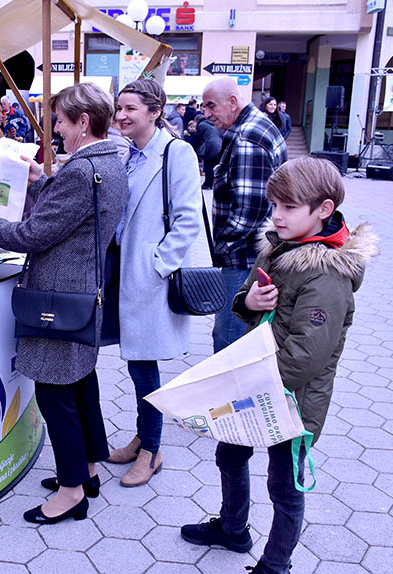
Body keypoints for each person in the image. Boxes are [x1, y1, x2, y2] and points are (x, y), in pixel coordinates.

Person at [180, 157, 377, 574]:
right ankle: (233, 530)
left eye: (289, 207)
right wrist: (247, 302)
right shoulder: (280, 247)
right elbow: (247, 300)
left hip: (291, 401)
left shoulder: (325, 273)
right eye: (275, 205)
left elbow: (307, 356)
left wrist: (250, 389)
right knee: (230, 456)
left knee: (284, 486)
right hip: (256, 386)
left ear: (323, 209)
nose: (277, 216)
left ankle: (276, 564)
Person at [0, 83, 126, 524]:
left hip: (59, 295)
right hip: (82, 290)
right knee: (80, 383)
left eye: (60, 120)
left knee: (57, 392)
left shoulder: (82, 169)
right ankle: (89, 468)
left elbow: (35, 234)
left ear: (83, 122)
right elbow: (70, 216)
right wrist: (43, 182)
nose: (55, 129)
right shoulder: (109, 162)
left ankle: (72, 490)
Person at [103, 79, 202, 486]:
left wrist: (156, 265)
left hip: (148, 278)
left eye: (130, 108)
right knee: (136, 362)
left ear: (155, 111)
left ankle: (152, 449)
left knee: (145, 367)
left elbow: (188, 219)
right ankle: (144, 437)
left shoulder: (177, 153)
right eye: (119, 108)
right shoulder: (133, 154)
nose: (121, 115)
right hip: (127, 275)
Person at [202, 77, 287, 353]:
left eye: (211, 105)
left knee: (229, 338)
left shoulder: (248, 135)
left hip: (243, 256)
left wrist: (224, 244)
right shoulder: (254, 127)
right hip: (251, 254)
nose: (206, 113)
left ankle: (230, 395)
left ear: (233, 102)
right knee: (241, 334)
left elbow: (251, 209)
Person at [195, 114, 223, 189]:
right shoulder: (212, 124)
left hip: (210, 148)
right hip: (219, 146)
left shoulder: (201, 125)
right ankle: (216, 183)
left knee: (208, 166)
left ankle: (208, 184)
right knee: (216, 166)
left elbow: (197, 138)